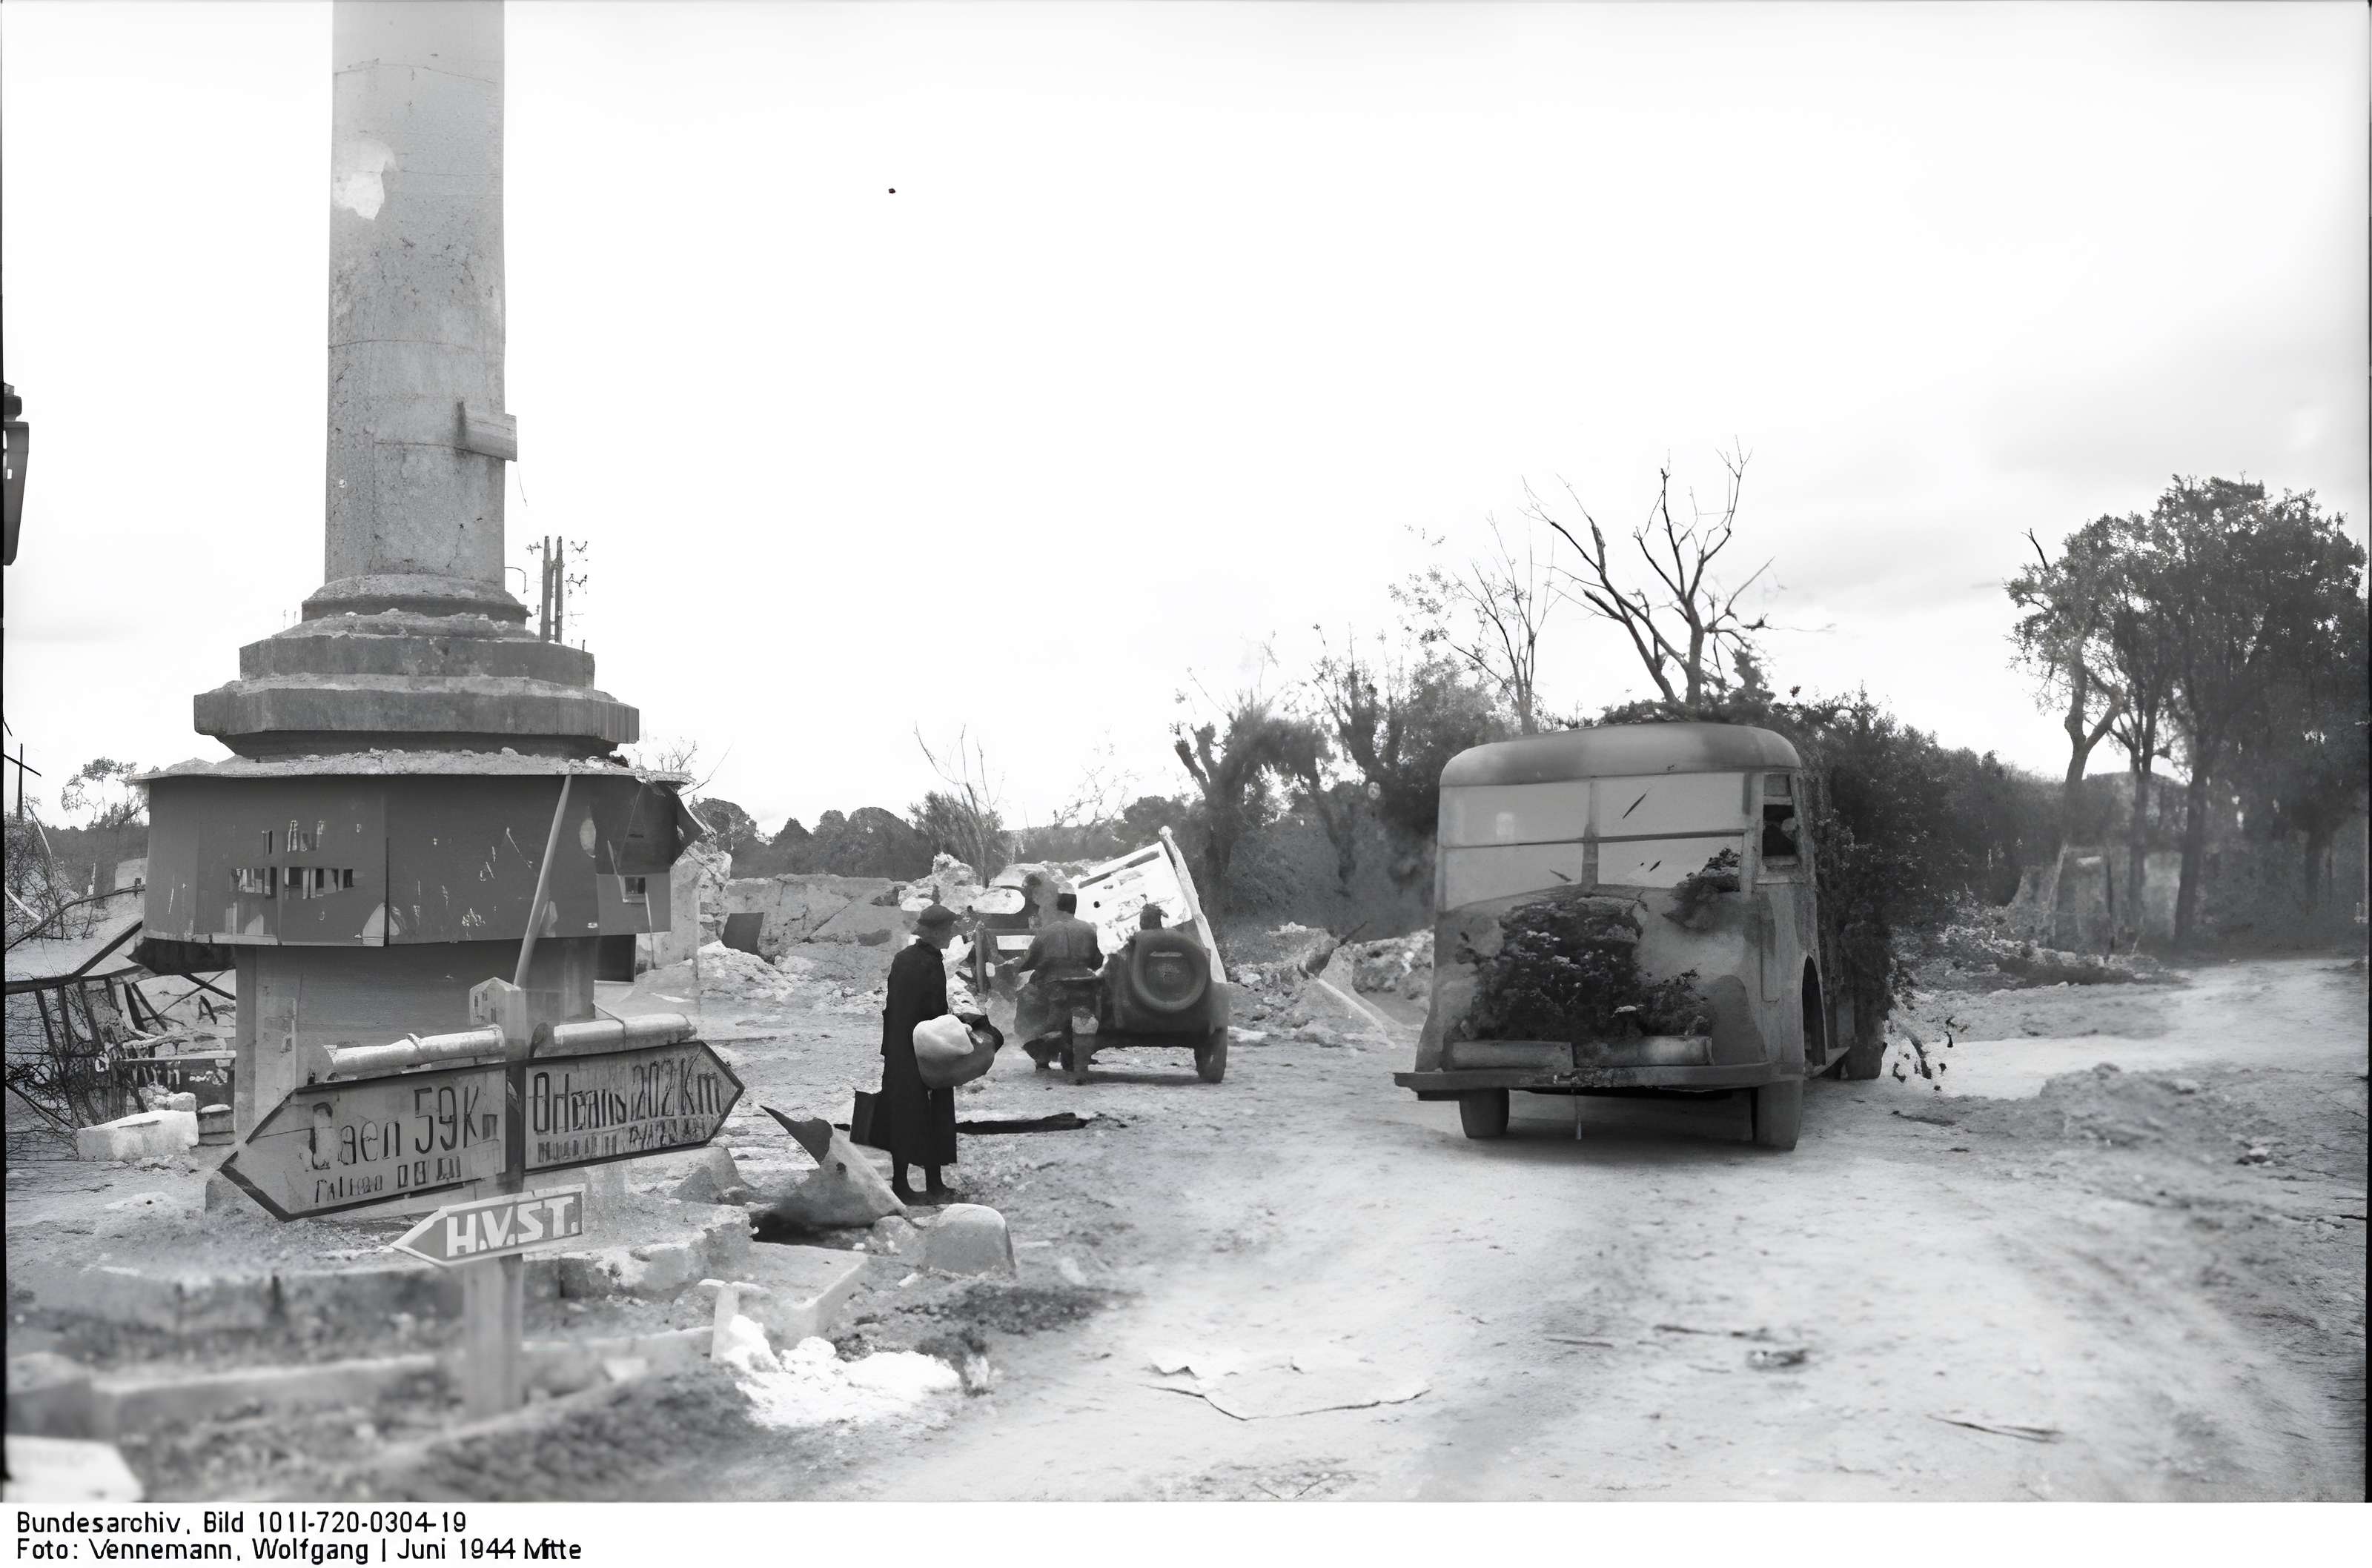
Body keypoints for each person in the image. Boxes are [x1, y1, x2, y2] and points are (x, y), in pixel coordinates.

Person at [872, 902, 961, 1203]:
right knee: (926, 1113)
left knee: (908, 1114)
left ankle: (912, 1183)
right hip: (920, 1047)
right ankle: (922, 1185)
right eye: (948, 929)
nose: (951, 934)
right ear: (935, 932)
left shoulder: (910, 958)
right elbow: (927, 1009)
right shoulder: (924, 962)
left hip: (904, 1047)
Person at [1010, 891, 1104, 1045]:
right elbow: (1097, 962)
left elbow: (1030, 960)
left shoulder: (1048, 931)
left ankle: (1030, 1041)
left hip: (1054, 986)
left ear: (1057, 908)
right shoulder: (1088, 929)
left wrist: (1017, 966)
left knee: (1026, 995)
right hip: (1084, 985)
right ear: (1075, 907)